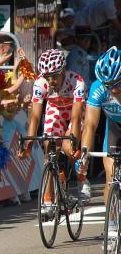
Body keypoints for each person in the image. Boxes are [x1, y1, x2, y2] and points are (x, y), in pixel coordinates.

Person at [26, 49, 89, 209]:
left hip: (75, 110)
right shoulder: (40, 83)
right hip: (56, 110)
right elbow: (34, 116)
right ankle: (48, 199)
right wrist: (28, 143)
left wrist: (73, 142)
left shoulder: (77, 81)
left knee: (69, 148)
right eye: (47, 77)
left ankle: (81, 178)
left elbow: (75, 118)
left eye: (54, 76)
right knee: (49, 149)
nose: (51, 81)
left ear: (63, 71)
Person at [81, 47, 121, 211]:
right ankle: (112, 225)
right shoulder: (97, 88)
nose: (113, 89)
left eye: (117, 83)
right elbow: (90, 125)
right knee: (111, 177)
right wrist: (84, 155)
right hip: (114, 128)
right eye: (108, 85)